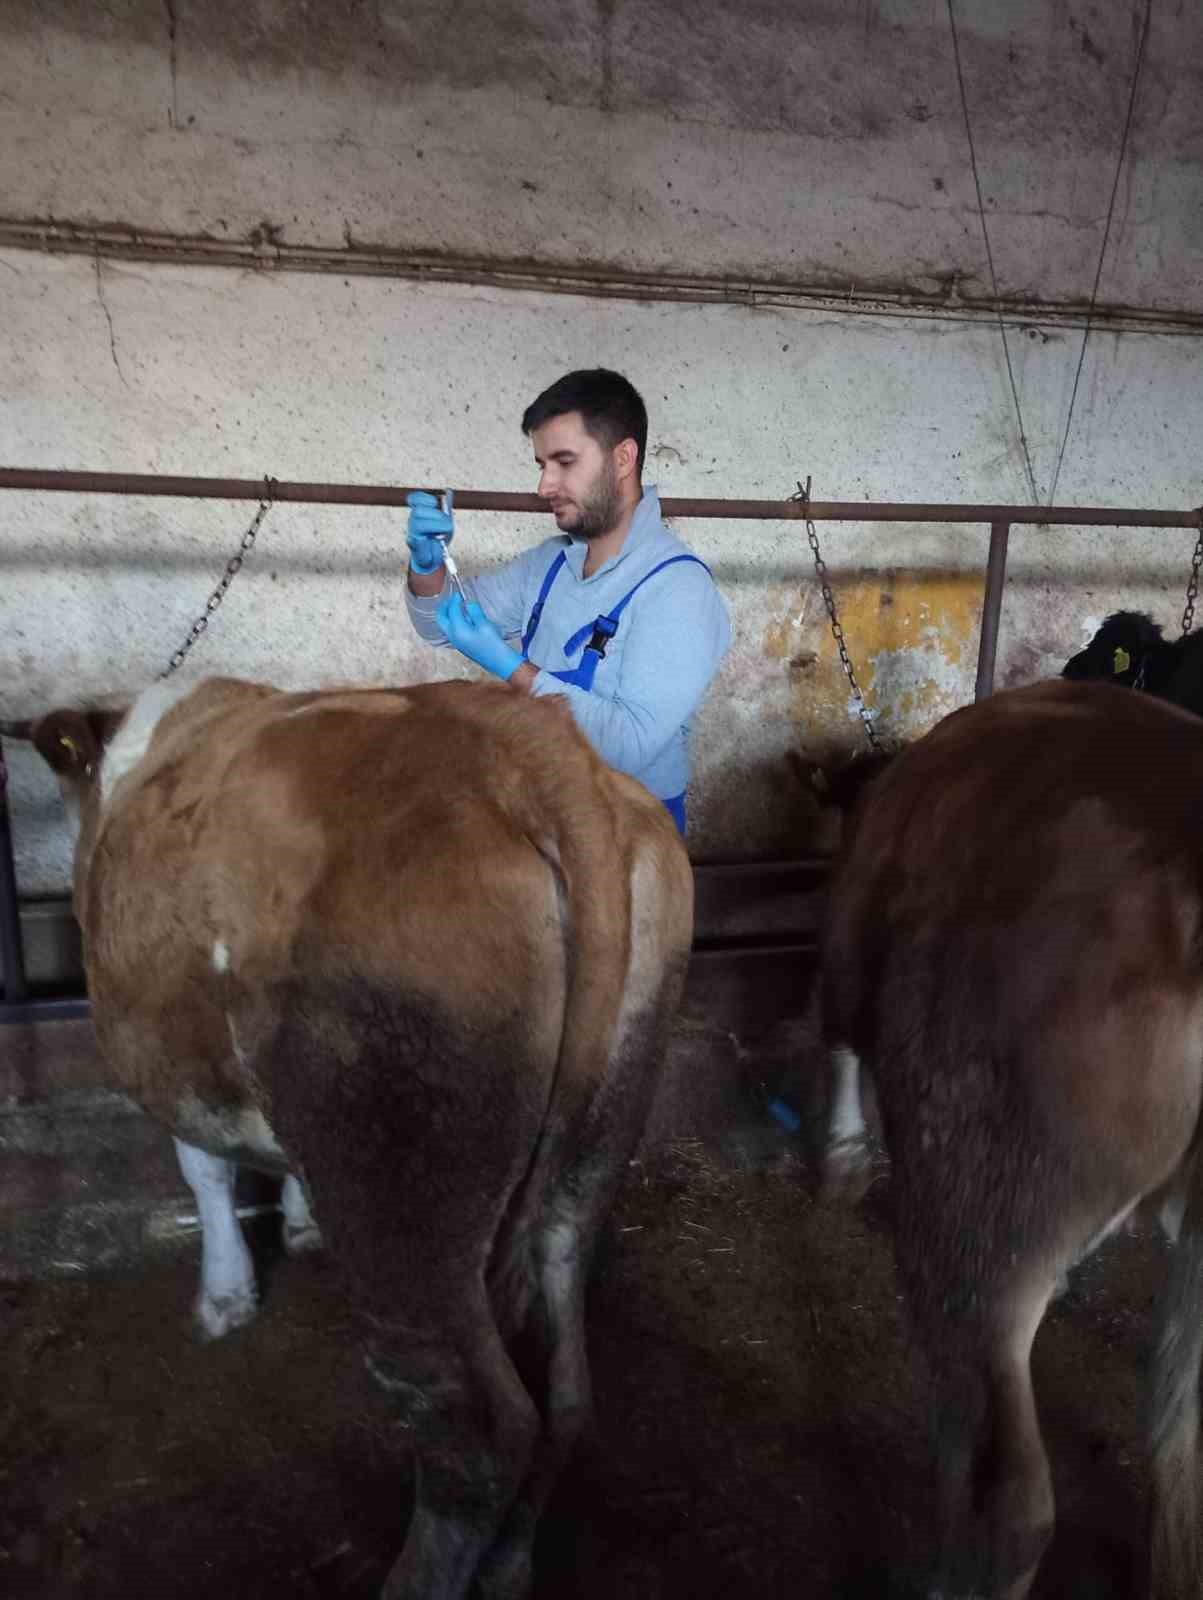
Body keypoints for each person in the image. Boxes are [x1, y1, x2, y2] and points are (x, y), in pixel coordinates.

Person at [404, 368, 731, 835]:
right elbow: (438, 625)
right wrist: (426, 565)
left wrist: (510, 667)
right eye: (542, 465)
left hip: (632, 831)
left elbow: (629, 744)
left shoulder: (678, 588)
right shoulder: (549, 565)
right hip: (543, 804)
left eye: (564, 462)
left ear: (623, 458)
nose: (544, 486)